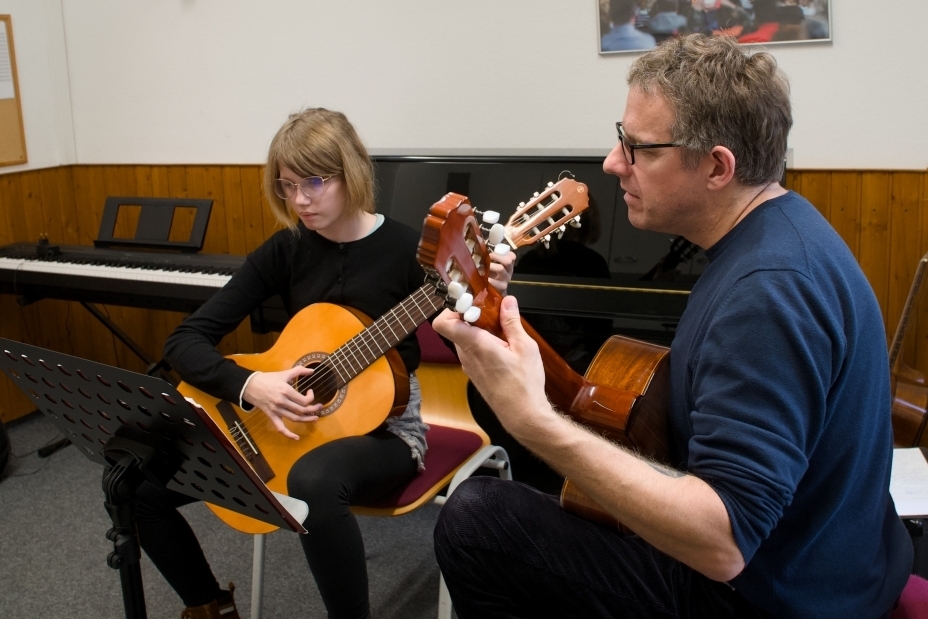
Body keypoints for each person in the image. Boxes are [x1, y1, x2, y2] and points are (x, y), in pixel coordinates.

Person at [432, 34, 913, 619]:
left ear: (717, 167)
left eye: (638, 149)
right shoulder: (778, 229)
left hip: (779, 597)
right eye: (620, 137)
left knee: (478, 521)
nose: (613, 164)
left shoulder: (769, 291)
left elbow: (725, 541)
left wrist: (533, 423)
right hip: (838, 564)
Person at [133, 107, 515, 619]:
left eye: (314, 182)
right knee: (138, 483)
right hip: (287, 423)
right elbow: (186, 340)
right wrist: (252, 386)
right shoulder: (287, 249)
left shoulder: (411, 251)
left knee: (313, 483)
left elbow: (482, 342)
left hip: (389, 431)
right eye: (286, 185)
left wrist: (493, 293)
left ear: (351, 172)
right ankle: (208, 606)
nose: (299, 200)